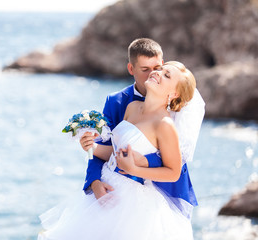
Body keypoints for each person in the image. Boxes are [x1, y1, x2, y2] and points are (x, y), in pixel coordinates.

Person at [38, 61, 200, 240]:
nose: (157, 73)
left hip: (131, 205)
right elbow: (116, 153)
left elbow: (173, 172)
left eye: (167, 75)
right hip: (103, 191)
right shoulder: (132, 108)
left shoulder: (164, 125)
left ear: (174, 94)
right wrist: (92, 146)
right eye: (161, 69)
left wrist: (135, 170)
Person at [81, 38, 205, 218]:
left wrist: (141, 163)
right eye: (145, 70)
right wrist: (94, 181)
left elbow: (178, 163)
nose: (153, 74)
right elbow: (115, 148)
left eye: (157, 68)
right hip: (110, 189)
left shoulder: (175, 115)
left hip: (153, 196)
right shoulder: (121, 104)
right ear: (131, 69)